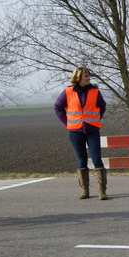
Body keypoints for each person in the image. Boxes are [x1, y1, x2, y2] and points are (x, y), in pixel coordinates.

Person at [54, 66, 108, 200]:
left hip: (92, 129)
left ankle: (102, 191)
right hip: (75, 131)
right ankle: (85, 190)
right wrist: (68, 122)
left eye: (89, 75)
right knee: (81, 160)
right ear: (78, 77)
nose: (88, 77)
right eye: (85, 75)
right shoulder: (68, 91)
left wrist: (96, 118)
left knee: (96, 159)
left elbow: (102, 106)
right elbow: (58, 107)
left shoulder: (95, 91)